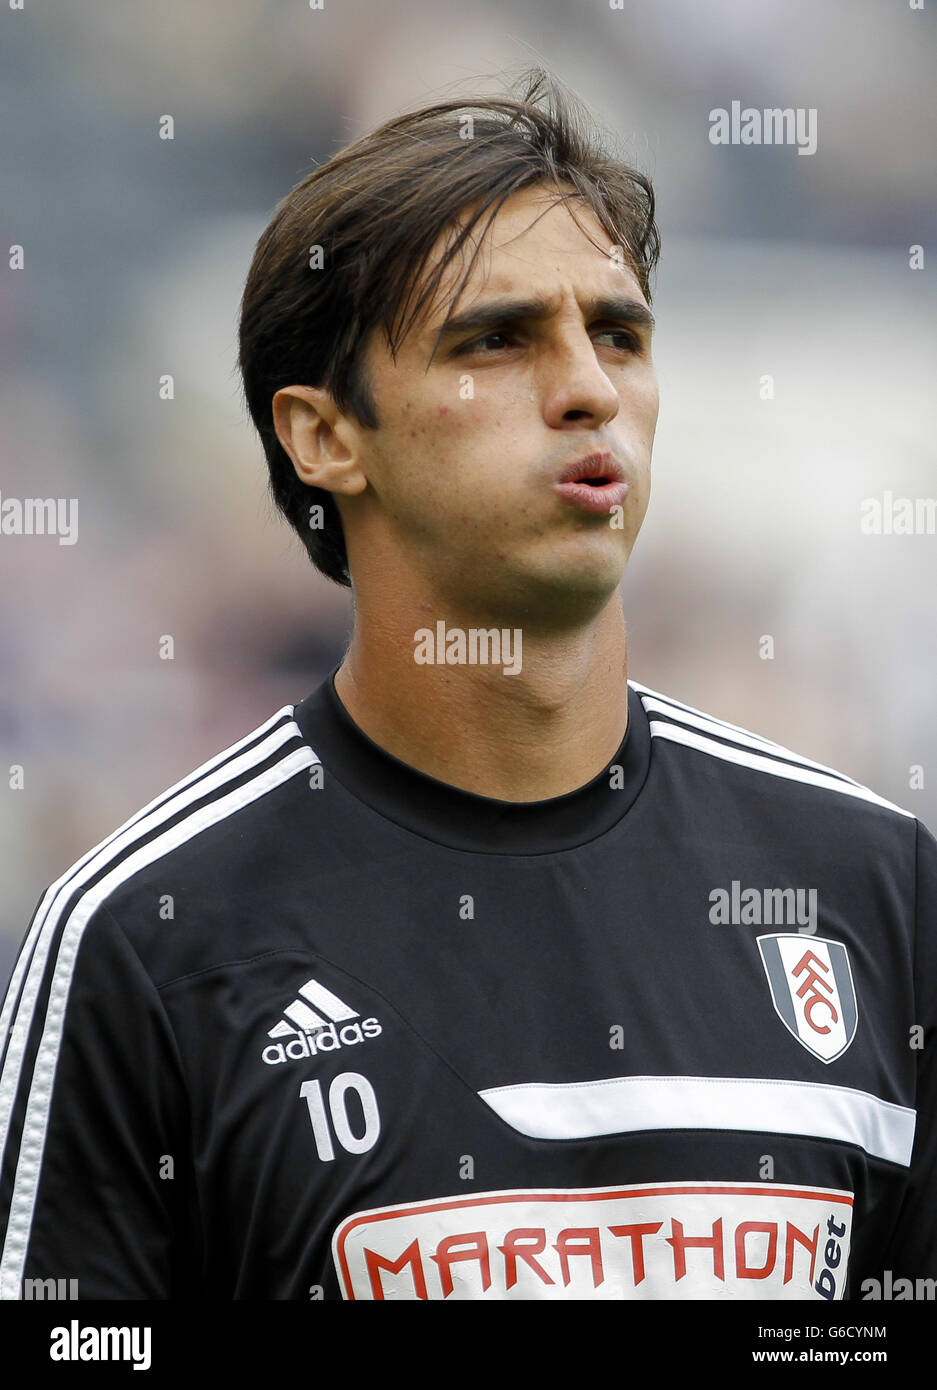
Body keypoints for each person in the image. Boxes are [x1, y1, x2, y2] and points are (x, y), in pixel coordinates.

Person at [1, 67, 934, 1302]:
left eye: (619, 334)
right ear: (324, 435)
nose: (589, 390)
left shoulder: (870, 886)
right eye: (495, 340)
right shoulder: (147, 939)